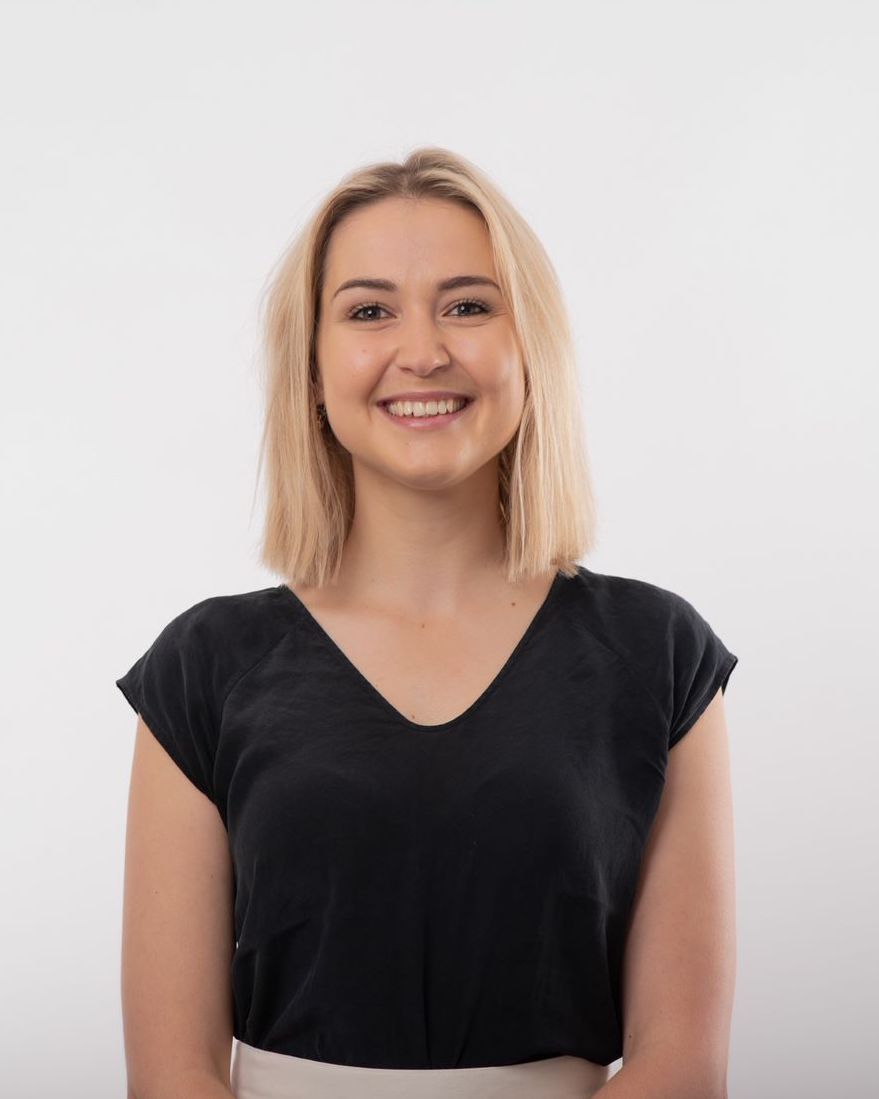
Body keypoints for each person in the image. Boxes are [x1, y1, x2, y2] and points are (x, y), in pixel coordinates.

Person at [116, 146, 738, 1099]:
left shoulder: (657, 655)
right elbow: (172, 1074)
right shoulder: (202, 667)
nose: (422, 350)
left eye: (468, 306)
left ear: (529, 349)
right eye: (369, 311)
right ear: (312, 371)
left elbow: (682, 1065)